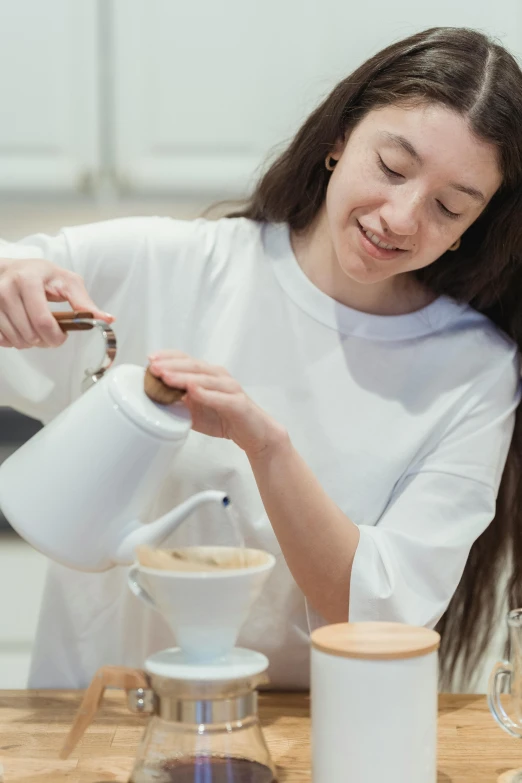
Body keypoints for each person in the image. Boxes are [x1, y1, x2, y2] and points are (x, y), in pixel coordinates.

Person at [1, 25, 521, 691]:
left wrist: (267, 443)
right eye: (391, 167)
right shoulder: (172, 265)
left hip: (311, 739)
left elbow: (377, 613)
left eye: (449, 208)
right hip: (101, 724)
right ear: (340, 138)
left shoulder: (473, 371)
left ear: (475, 226)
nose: (401, 216)